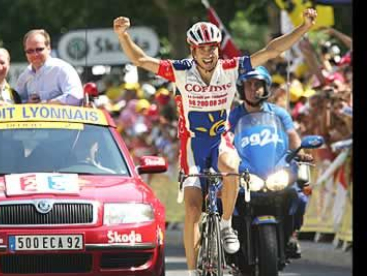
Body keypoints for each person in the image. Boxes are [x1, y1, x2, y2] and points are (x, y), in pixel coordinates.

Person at [113, 8, 317, 276]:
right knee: (193, 209)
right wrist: (123, 35)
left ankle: (226, 224)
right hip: (193, 146)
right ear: (192, 49)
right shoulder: (181, 71)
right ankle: (191, 270)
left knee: (231, 165)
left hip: (220, 140)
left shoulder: (231, 68)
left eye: (213, 48)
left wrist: (303, 28)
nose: (208, 54)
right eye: (202, 49)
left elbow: (270, 51)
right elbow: (140, 59)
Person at [229, 66, 314, 259]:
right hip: (246, 172)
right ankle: (230, 237)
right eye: (249, 85)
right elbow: (226, 140)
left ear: (266, 87)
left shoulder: (279, 113)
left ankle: (292, 234)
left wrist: (300, 152)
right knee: (224, 199)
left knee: (299, 195)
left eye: (258, 84)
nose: (253, 89)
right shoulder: (233, 116)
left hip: (275, 169)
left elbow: (292, 136)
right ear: (242, 89)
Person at [15, 29, 83, 105]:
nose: (35, 54)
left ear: (48, 48)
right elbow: (16, 104)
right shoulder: (23, 77)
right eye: (30, 51)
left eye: (39, 49)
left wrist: (46, 104)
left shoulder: (62, 69)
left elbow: (75, 98)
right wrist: (28, 104)